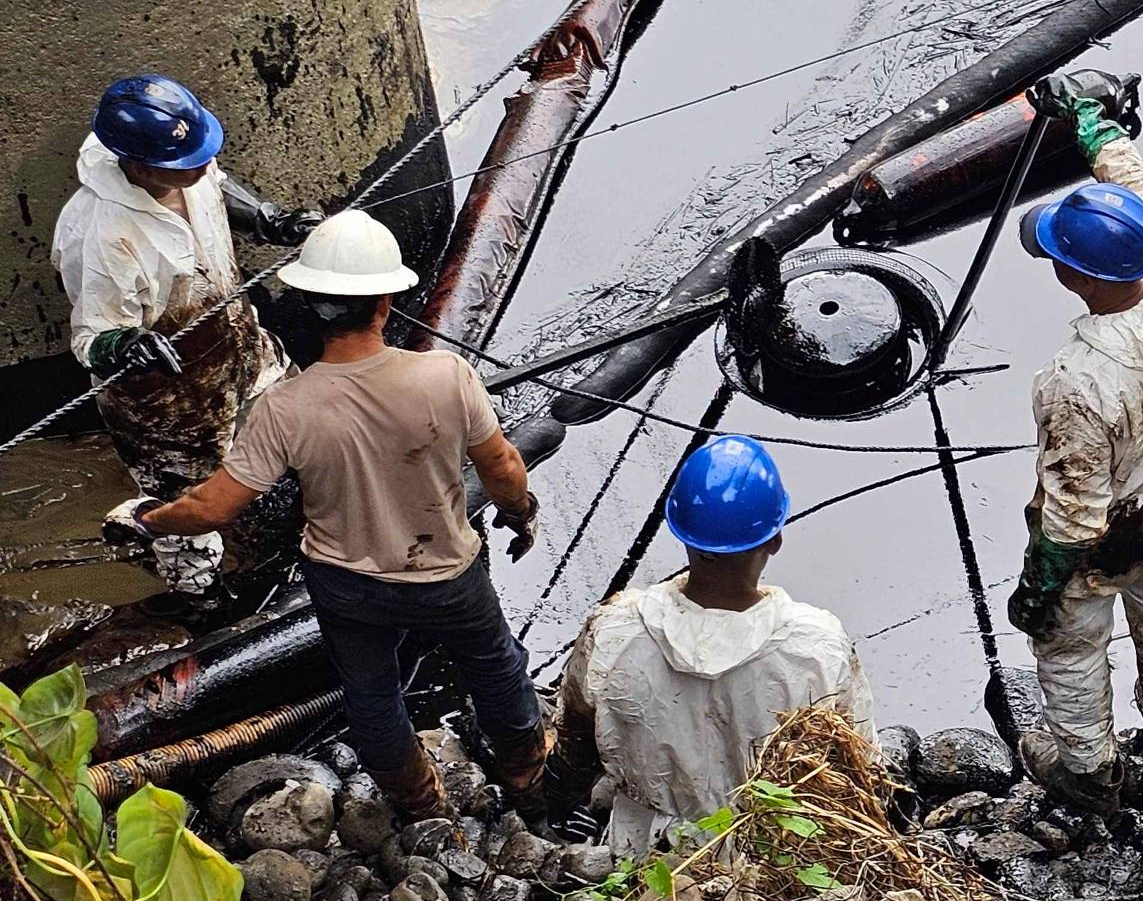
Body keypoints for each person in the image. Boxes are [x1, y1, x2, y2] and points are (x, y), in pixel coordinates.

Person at [107, 210, 547, 820]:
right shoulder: (447, 376)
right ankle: (525, 770)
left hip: (346, 585)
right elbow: (500, 466)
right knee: (496, 666)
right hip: (447, 575)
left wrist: (148, 519)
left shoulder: (286, 407)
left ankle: (416, 799)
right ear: (386, 301)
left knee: (371, 693)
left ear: (311, 305)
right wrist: (519, 512)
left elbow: (213, 507)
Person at [1006, 75, 1143, 812]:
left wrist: (1037, 587)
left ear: (1080, 276)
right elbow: (1139, 183)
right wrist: (1091, 124)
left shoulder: (1077, 379)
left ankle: (1091, 773)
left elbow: (1073, 514)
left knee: (1069, 647)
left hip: (1105, 533)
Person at [52, 75, 320, 585]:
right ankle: (197, 597)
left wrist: (271, 220)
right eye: (184, 162)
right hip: (168, 397)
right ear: (135, 164)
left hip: (242, 345)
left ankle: (317, 518)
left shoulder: (184, 164)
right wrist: (124, 345)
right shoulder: (101, 234)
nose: (200, 163)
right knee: (188, 511)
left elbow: (215, 186)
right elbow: (91, 337)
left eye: (201, 151)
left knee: (303, 418)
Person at [555, 435, 876, 854]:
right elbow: (859, 768)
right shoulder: (817, 646)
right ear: (775, 540)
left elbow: (575, 738)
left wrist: (558, 804)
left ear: (681, 532)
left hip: (648, 848)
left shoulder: (614, 629)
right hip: (771, 850)